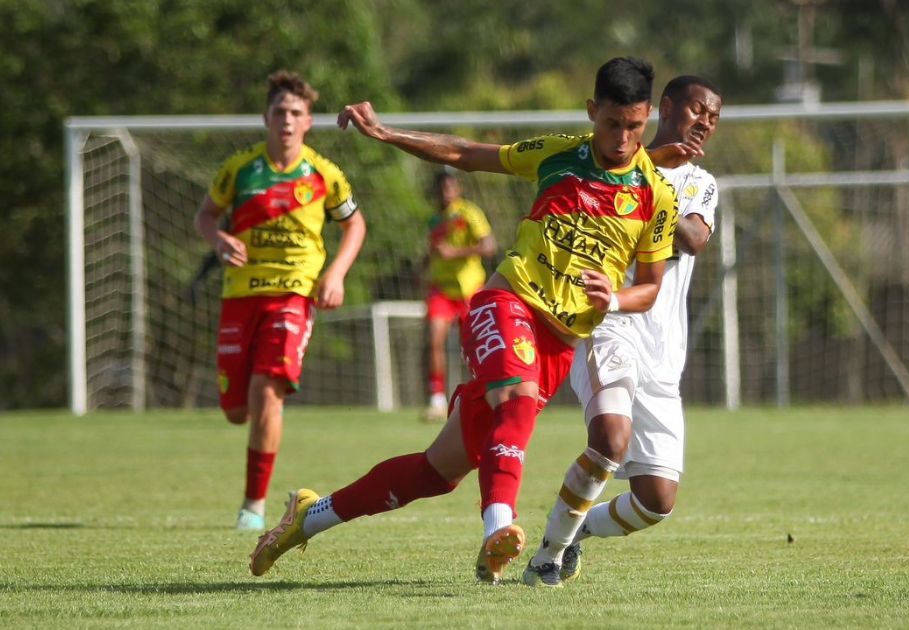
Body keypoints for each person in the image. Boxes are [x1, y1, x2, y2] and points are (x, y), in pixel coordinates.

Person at [249, 57, 680, 584]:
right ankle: (497, 531)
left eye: (634, 126)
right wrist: (384, 133)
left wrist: (613, 297)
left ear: (647, 117)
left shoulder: (655, 193)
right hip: (506, 303)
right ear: (593, 112)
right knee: (516, 400)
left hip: (559, 345)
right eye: (612, 123)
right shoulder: (562, 155)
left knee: (437, 472)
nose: (622, 137)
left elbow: (651, 288)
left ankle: (307, 518)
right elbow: (464, 154)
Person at [523, 75, 723, 587]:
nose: (705, 123)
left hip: (662, 351)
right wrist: (644, 165)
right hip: (610, 325)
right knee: (611, 439)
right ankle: (547, 556)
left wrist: (653, 177)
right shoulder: (610, 167)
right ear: (666, 107)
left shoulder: (700, 183)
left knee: (657, 502)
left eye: (714, 118)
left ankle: (575, 531)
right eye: (698, 110)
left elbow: (695, 238)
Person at [195, 70, 367, 531]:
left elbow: (355, 225)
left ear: (309, 121)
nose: (287, 120)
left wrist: (336, 274)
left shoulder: (324, 175)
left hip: (294, 293)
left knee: (267, 390)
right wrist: (218, 241)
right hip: (240, 294)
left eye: (296, 113)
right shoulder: (240, 170)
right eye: (279, 112)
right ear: (265, 118)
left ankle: (253, 506)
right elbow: (206, 216)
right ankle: (257, 423)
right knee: (236, 410)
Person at [422, 171, 497, 422]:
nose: (447, 192)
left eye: (450, 187)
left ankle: (482, 395)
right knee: (434, 338)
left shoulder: (469, 213)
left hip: (469, 289)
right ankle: (436, 400)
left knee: (474, 349)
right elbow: (432, 253)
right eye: (442, 188)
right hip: (441, 289)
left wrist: (455, 253)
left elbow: (489, 246)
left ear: (458, 188)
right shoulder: (434, 220)